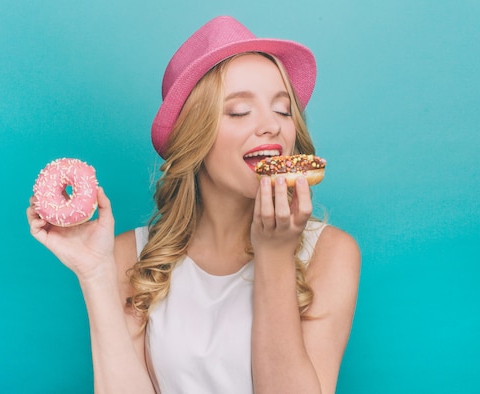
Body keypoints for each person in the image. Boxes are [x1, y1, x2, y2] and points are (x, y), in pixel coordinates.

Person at [27, 15, 360, 394]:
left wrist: (274, 255)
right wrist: (94, 274)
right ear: (193, 138)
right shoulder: (128, 257)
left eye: (284, 110)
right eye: (238, 111)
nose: (273, 126)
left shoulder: (331, 253)